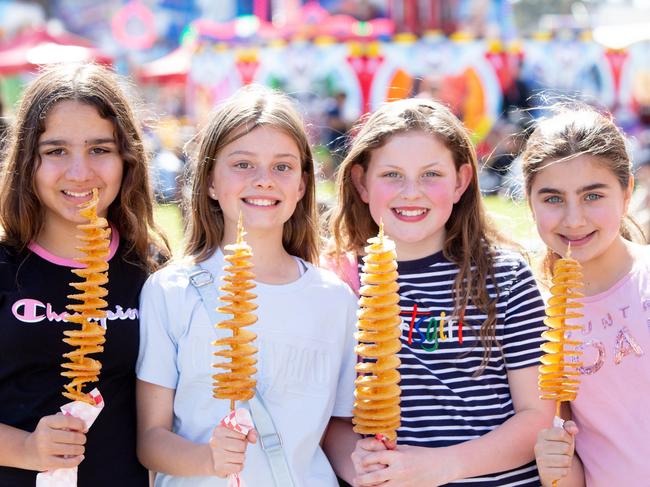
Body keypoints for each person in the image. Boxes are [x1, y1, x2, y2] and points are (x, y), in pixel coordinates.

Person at [135, 85, 359, 486]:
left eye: (283, 167)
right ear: (209, 183)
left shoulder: (335, 300)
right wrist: (208, 459)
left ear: (302, 186)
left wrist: (370, 467)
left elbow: (334, 430)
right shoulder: (170, 291)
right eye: (242, 164)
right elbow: (151, 440)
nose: (264, 180)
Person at [325, 97, 554, 486]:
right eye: (392, 175)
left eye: (431, 174)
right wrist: (358, 466)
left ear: (461, 182)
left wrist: (442, 466)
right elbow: (331, 420)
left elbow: (537, 417)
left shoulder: (504, 278)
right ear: (362, 183)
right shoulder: (337, 284)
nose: (411, 192)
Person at [0, 63, 170, 485]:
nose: (80, 173)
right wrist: (25, 448)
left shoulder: (153, 269)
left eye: (99, 149)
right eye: (56, 151)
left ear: (127, 158)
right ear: (28, 162)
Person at [522, 104, 649, 487]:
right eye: (553, 199)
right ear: (530, 201)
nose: (574, 219)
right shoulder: (539, 318)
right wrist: (555, 468)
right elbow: (574, 456)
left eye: (593, 196)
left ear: (626, 192)